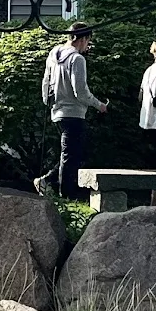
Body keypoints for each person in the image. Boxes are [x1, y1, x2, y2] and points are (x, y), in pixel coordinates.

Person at [42, 21, 106, 198]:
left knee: (68, 153)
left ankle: (47, 181)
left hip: (57, 112)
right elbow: (81, 92)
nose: (88, 46)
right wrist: (98, 104)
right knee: (71, 158)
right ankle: (66, 195)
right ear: (83, 38)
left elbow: (46, 82)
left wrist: (48, 101)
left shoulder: (54, 53)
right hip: (74, 113)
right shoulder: (77, 59)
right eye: (88, 41)